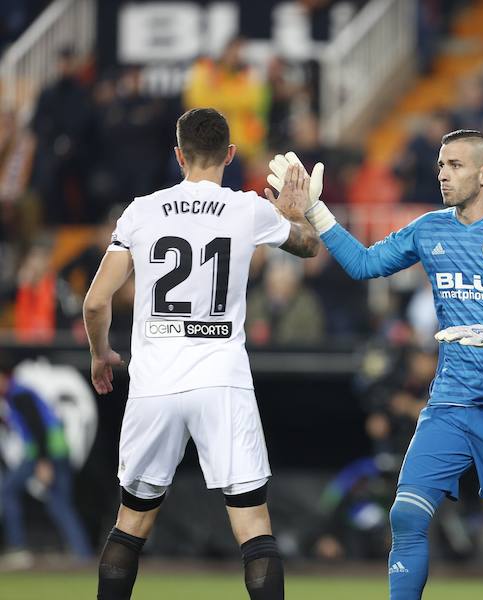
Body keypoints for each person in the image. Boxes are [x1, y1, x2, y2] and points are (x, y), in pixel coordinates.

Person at [266, 129, 483, 600]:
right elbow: (365, 264)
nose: (444, 175)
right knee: (405, 514)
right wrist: (317, 213)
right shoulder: (430, 229)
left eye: (456, 165)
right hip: (451, 401)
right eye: (442, 165)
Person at [82, 108, 319, 600]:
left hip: (154, 383)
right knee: (254, 527)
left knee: (130, 526)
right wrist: (294, 214)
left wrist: (101, 353)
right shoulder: (247, 209)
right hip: (221, 379)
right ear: (229, 155)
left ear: (178, 155)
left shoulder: (141, 211)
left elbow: (96, 301)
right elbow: (308, 245)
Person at [0, 365, 92, 568]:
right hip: (56, 451)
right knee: (60, 504)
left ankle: (18, 549)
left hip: (44, 453)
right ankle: (83, 553)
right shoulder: (18, 394)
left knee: (8, 492)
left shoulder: (19, 394)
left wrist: (43, 462)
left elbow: (38, 428)